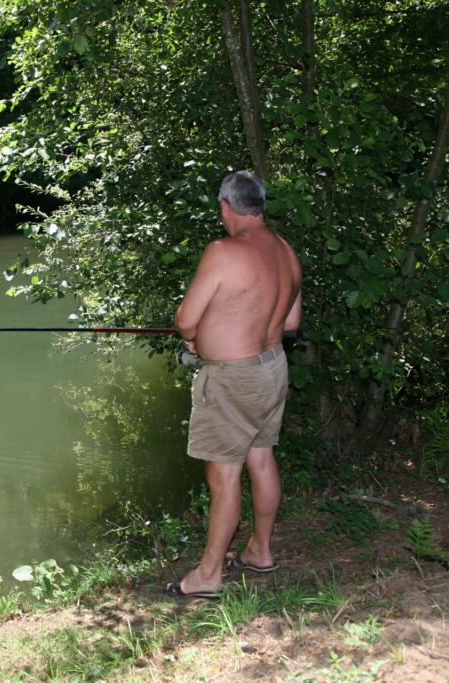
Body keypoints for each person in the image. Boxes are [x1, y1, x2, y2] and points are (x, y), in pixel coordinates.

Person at [167, 170, 302, 600]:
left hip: (232, 379)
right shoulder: (285, 251)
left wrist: (192, 337)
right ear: (260, 205)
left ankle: (208, 575)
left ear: (226, 207)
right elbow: (292, 323)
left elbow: (187, 319)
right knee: (261, 458)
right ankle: (260, 550)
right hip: (272, 367)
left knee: (222, 475)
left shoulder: (223, 251)